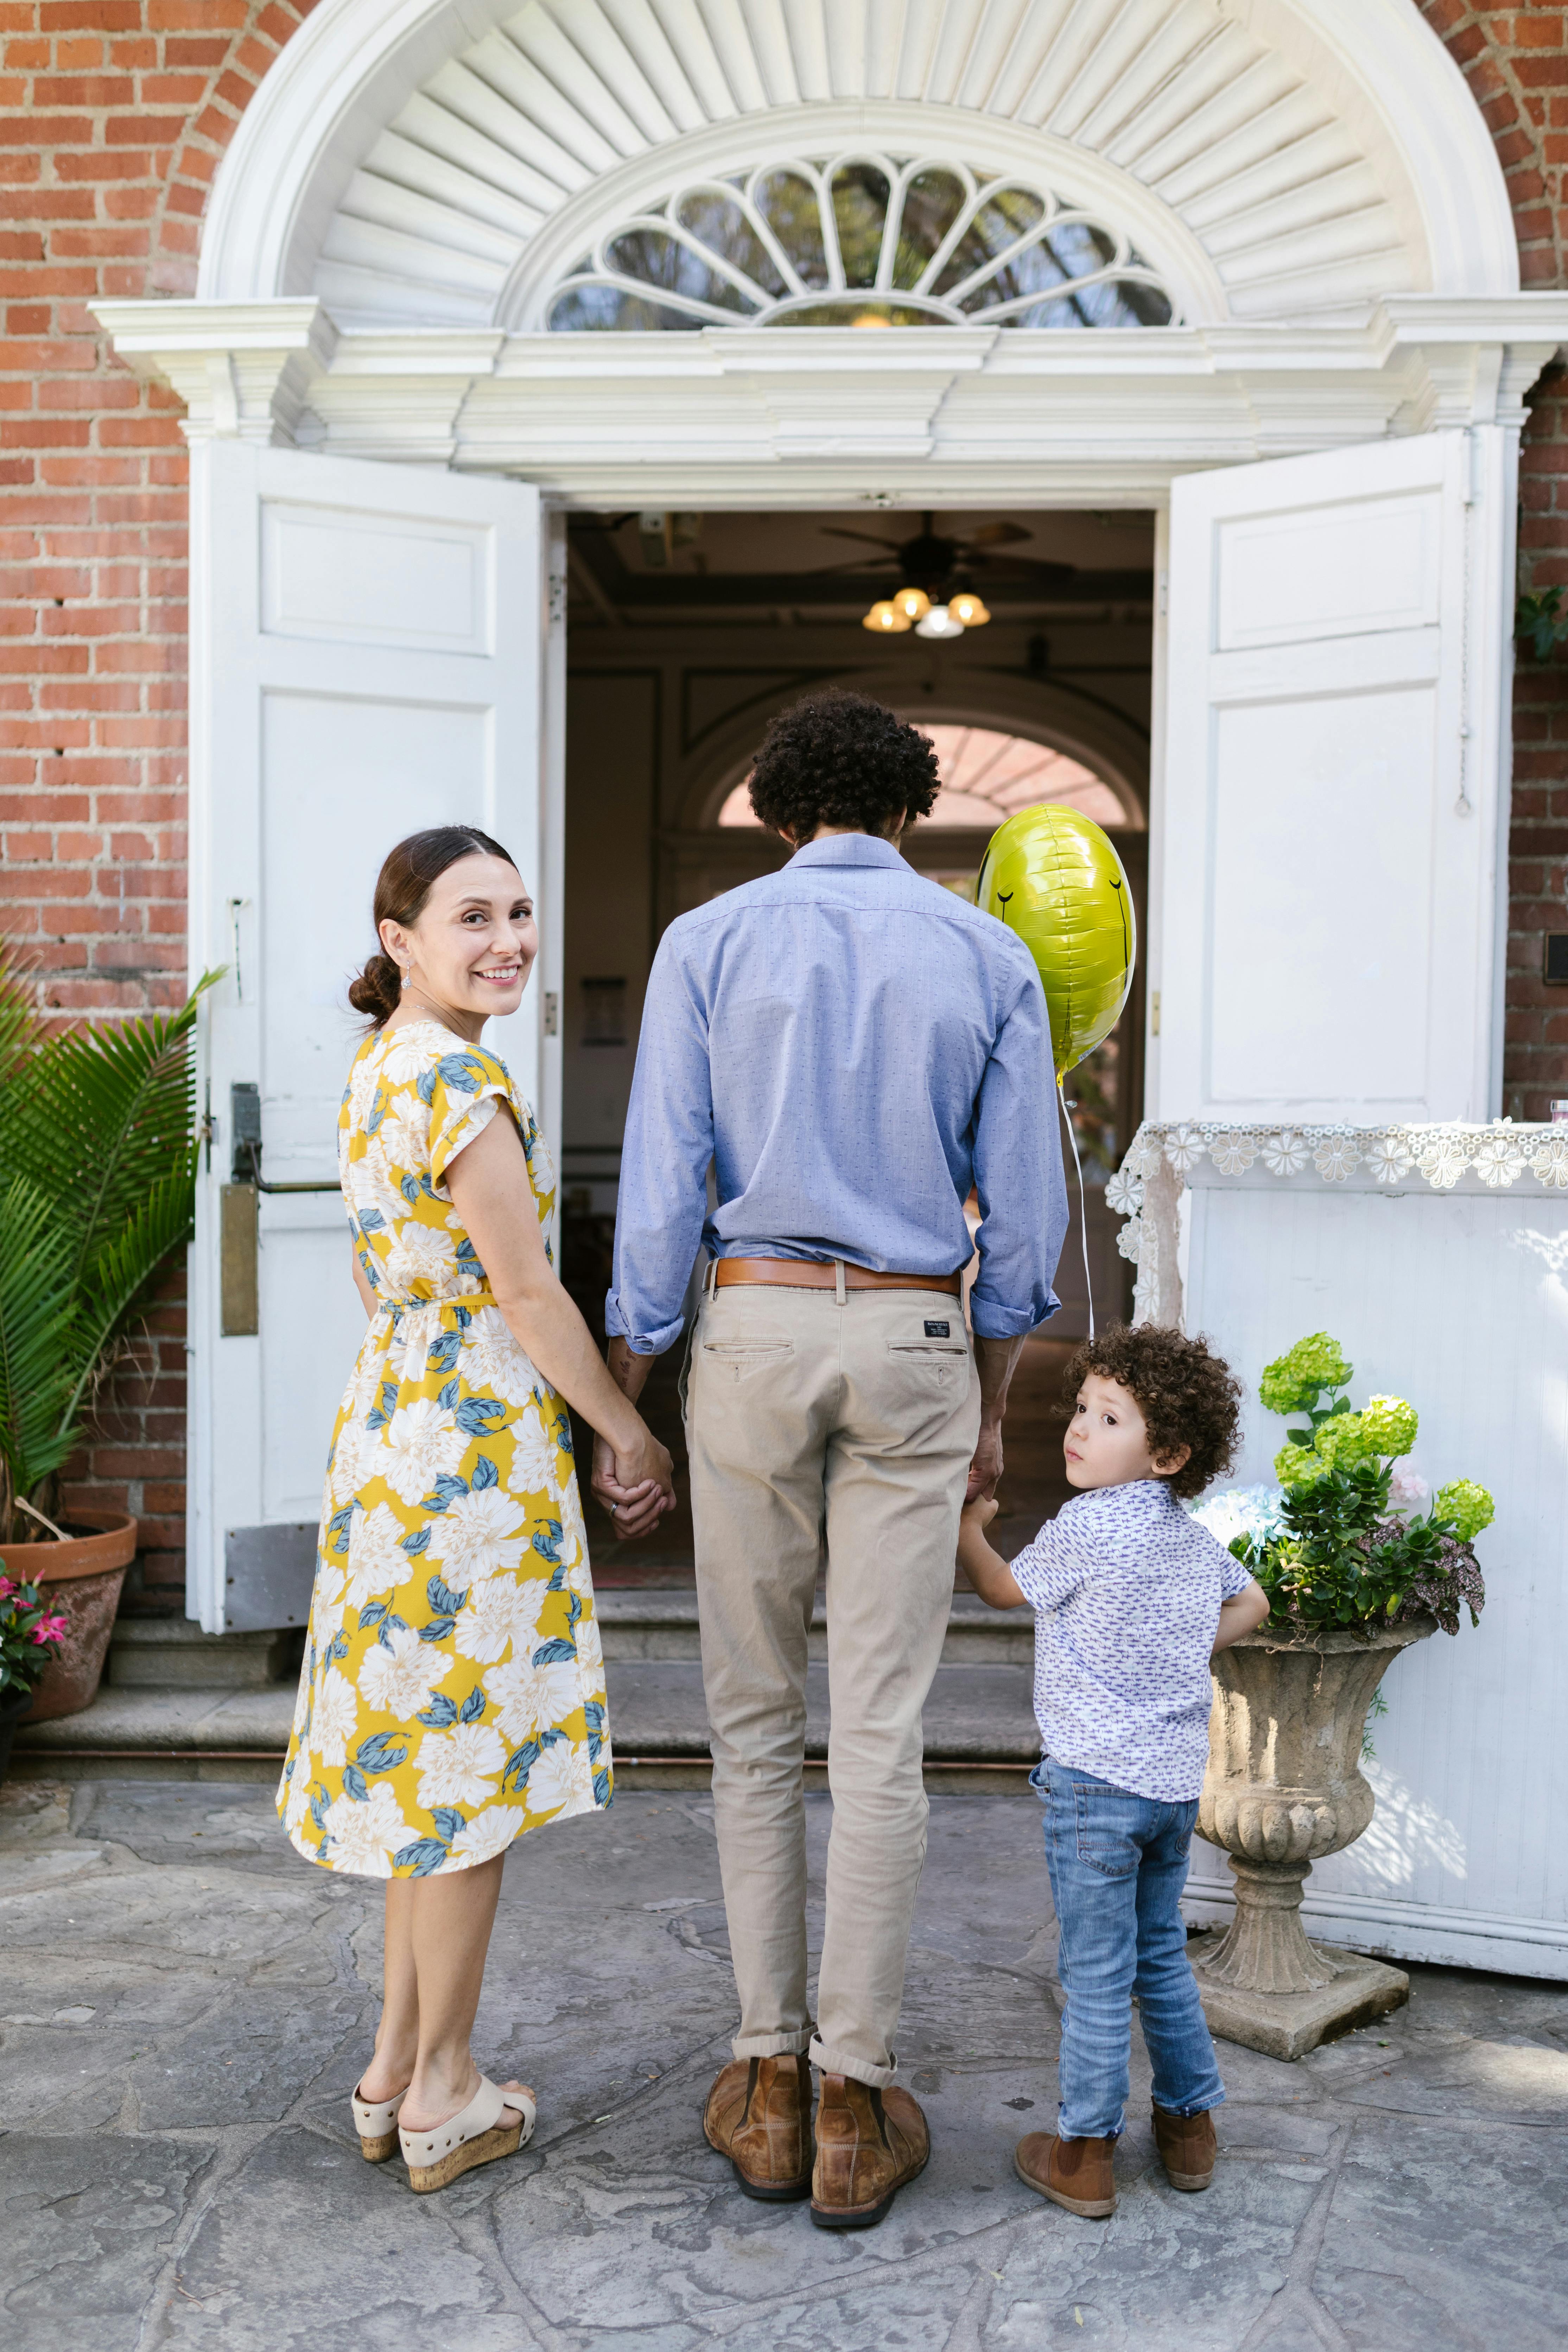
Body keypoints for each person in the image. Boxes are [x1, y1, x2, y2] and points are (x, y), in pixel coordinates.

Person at [598, 692, 1067, 2230]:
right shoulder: (986, 954)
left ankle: (764, 2080)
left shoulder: (707, 943)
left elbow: (664, 1181)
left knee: (747, 1716)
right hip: (920, 1340)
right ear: (912, 811)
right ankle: (858, 2095)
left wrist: (629, 1383)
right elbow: (1024, 1227)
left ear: (774, 809)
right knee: (882, 1729)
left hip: (751, 1333)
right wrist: (995, 1395)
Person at [278, 825, 675, 2195]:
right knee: (463, 1793)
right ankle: (446, 2091)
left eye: (517, 912)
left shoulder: (377, 1071)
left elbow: (381, 1283)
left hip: (393, 1436)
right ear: (399, 942)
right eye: (472, 917)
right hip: (468, 1469)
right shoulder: (460, 1086)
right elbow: (527, 1294)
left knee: (425, 1778)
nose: (508, 938)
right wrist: (627, 1428)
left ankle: (393, 2066)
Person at [957, 1323, 1270, 2219]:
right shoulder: (1185, 1534)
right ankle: (1189, 2132)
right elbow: (1252, 1601)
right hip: (1171, 1792)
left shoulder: (1088, 1524)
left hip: (1095, 1789)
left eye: (1110, 1417)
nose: (1081, 1430)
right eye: (1084, 1409)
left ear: (1167, 1452)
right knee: (1161, 1960)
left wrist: (967, 1529)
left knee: (1094, 1972)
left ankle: (1084, 2152)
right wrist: (1177, 1652)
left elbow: (1003, 1591)